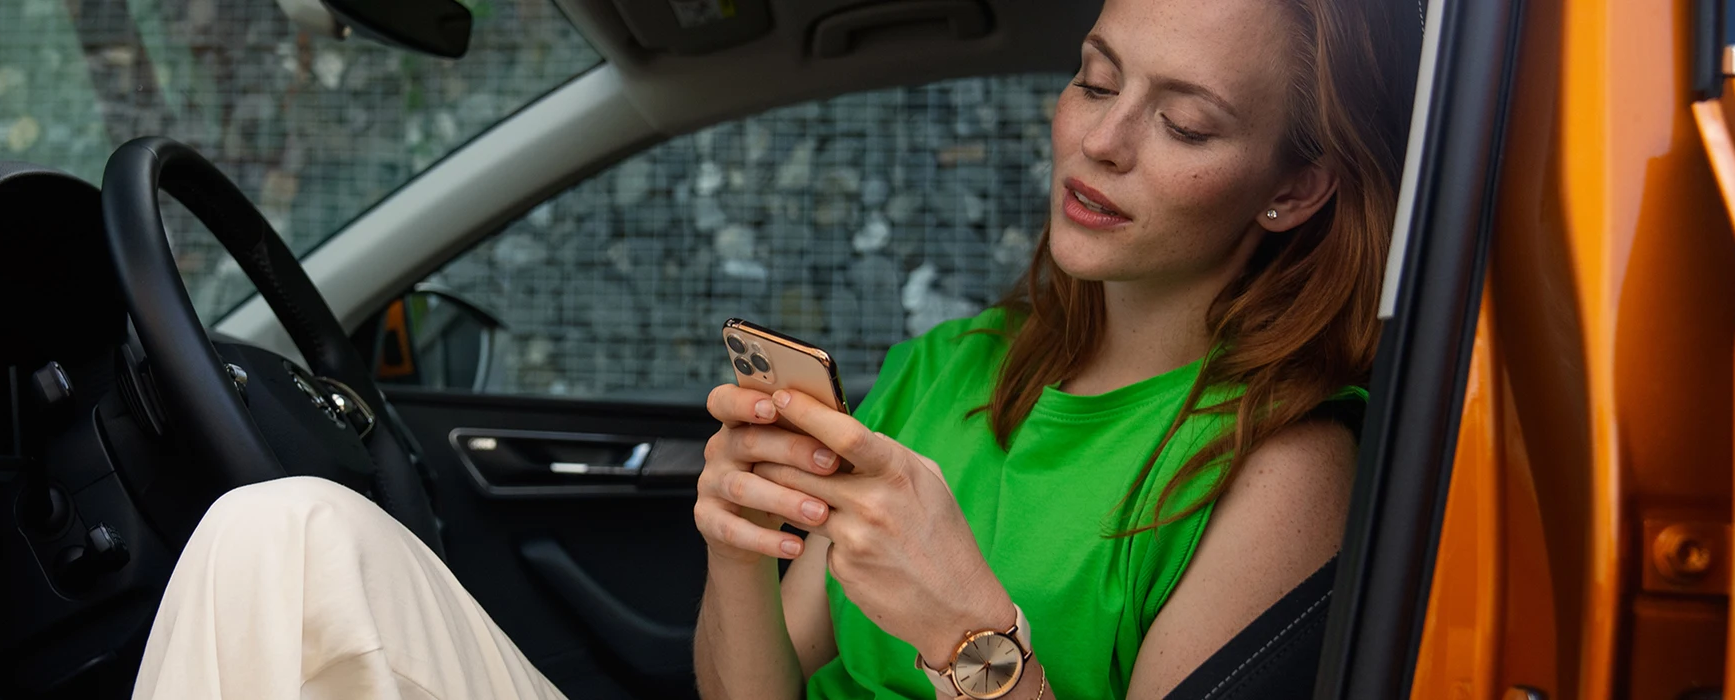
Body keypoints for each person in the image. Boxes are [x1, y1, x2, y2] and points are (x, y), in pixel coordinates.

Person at [130, 0, 1412, 696]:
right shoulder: (951, 368)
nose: (1101, 141)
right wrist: (735, 549)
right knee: (279, 533)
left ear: (1289, 190)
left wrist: (972, 634)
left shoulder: (1283, 465)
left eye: (1182, 120)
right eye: (1093, 77)